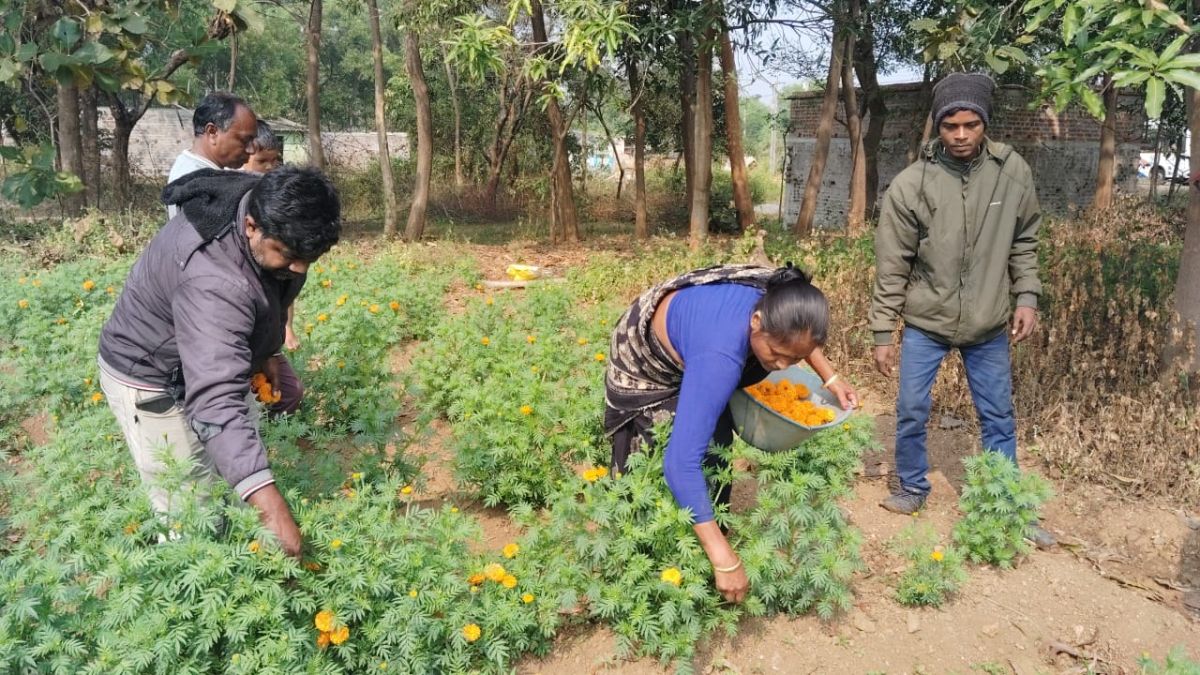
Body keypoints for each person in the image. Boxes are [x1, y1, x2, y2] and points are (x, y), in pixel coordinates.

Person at [98, 166, 341, 557]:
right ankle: (191, 577)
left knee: (233, 480)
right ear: (251, 226)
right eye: (291, 255)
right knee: (189, 507)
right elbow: (215, 400)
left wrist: (268, 350)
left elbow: (271, 291)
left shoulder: (269, 210)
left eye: (310, 258)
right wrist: (273, 511)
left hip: (209, 354)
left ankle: (242, 549)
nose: (300, 268)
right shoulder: (213, 277)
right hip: (152, 376)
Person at [868, 72, 1054, 548]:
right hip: (926, 322)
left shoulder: (1012, 173)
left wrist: (1027, 297)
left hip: (988, 322)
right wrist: (883, 332)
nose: (961, 135)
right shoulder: (912, 184)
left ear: (985, 124)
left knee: (998, 416)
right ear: (938, 126)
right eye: (951, 126)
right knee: (911, 409)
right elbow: (892, 265)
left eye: (971, 125)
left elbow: (1025, 241)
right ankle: (912, 486)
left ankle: (1005, 503)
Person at [604, 264, 859, 603]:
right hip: (647, 360)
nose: (782, 366)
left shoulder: (780, 298)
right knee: (658, 458)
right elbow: (680, 464)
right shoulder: (720, 355)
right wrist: (724, 560)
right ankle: (649, 564)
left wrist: (831, 377)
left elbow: (798, 337)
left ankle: (706, 539)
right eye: (777, 355)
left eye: (792, 359)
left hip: (701, 341)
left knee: (717, 444)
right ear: (756, 321)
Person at [239, 121, 301, 353]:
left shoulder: (275, 194)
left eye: (274, 161)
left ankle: (283, 330)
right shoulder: (237, 195)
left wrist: (287, 326)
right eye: (261, 161)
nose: (268, 167)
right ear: (242, 158)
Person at [166, 91, 258, 218]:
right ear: (212, 132)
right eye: (245, 140)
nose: (252, 150)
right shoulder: (199, 184)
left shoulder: (188, 165)